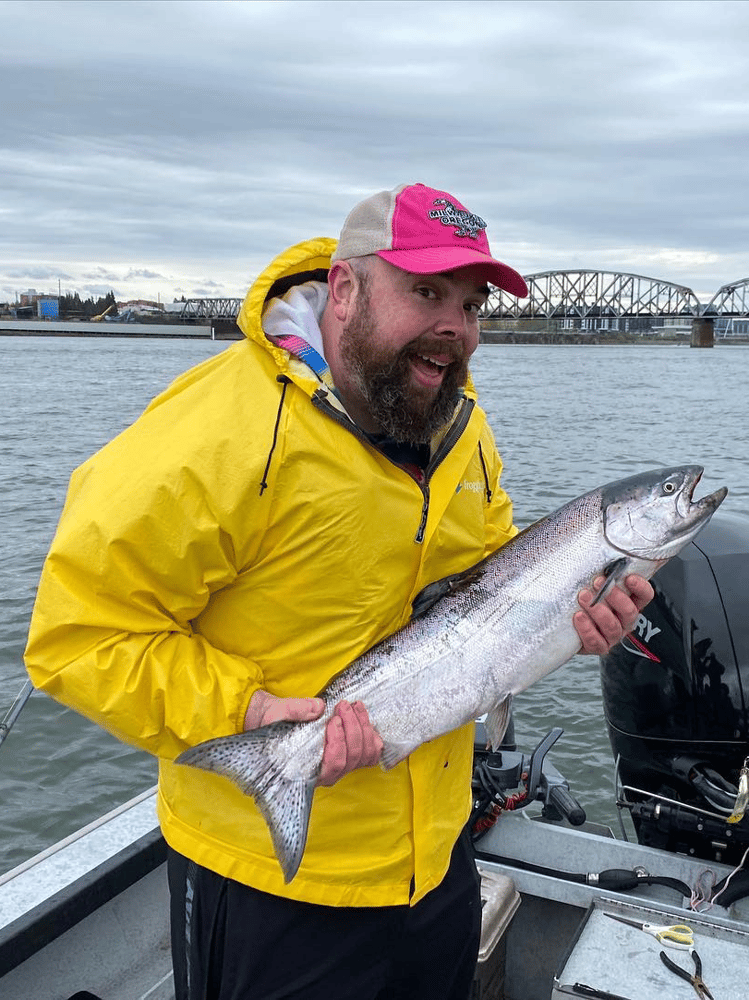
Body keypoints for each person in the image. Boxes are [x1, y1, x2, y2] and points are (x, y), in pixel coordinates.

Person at [24, 182, 653, 1000]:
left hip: (435, 862)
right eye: (425, 292)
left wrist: (573, 619)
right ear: (346, 287)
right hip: (267, 886)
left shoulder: (460, 423)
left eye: (469, 305)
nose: (453, 328)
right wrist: (246, 714)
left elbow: (489, 588)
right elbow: (78, 635)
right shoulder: (216, 428)